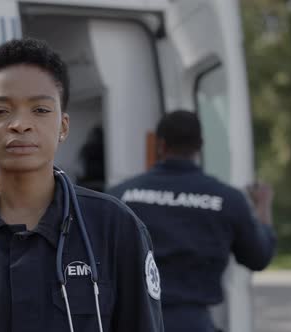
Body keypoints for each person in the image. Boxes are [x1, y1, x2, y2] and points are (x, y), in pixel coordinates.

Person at [0, 38, 164, 332]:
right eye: (0, 111)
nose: (20, 124)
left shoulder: (116, 228)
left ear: (63, 126)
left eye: (40, 110)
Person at [107, 110, 276, 332]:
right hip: (194, 323)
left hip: (133, 320)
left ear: (161, 145)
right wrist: (262, 205)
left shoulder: (120, 195)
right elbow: (259, 257)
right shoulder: (226, 199)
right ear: (200, 145)